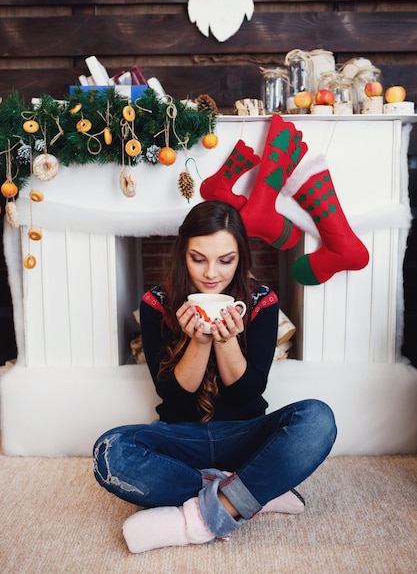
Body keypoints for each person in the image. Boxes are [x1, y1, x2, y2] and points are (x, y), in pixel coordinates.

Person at [93, 200, 337, 553]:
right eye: (198, 258)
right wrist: (198, 340)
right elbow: (174, 397)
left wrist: (226, 341)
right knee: (109, 452)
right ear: (182, 254)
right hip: (180, 438)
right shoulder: (155, 304)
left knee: (318, 419)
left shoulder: (261, 302)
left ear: (241, 257)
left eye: (226, 260)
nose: (211, 273)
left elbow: (248, 392)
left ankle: (201, 518)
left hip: (244, 436)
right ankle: (254, 492)